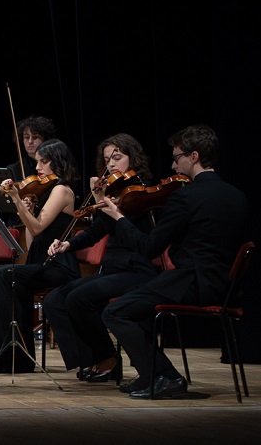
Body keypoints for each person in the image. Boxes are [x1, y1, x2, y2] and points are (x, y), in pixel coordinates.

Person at [100, 125, 246, 399]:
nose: (173, 163)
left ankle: (165, 376)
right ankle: (149, 376)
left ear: (194, 156)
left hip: (192, 283)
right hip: (226, 288)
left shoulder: (185, 196)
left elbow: (149, 246)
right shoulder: (237, 197)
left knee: (115, 312)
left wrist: (118, 217)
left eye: (177, 157)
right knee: (136, 301)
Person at [43, 133, 160, 383]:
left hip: (135, 270)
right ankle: (98, 359)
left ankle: (107, 359)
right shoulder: (115, 193)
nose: (111, 165)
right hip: (113, 271)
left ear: (133, 158)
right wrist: (68, 244)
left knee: (78, 298)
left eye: (117, 157)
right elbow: (99, 230)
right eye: (107, 160)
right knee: (55, 299)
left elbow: (139, 235)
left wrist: (107, 205)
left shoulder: (142, 192)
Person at [0, 139, 81, 374]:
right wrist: (27, 210)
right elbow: (32, 240)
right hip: (40, 262)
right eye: (37, 161)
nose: (37, 166)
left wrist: (18, 200)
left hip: (59, 265)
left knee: (3, 275)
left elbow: (38, 228)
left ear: (57, 162)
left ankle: (11, 356)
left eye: (43, 161)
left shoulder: (61, 190)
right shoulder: (44, 191)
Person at [6, 115, 58, 179]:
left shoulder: (56, 163)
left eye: (35, 137)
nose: (30, 141)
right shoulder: (14, 169)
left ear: (45, 139)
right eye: (27, 137)